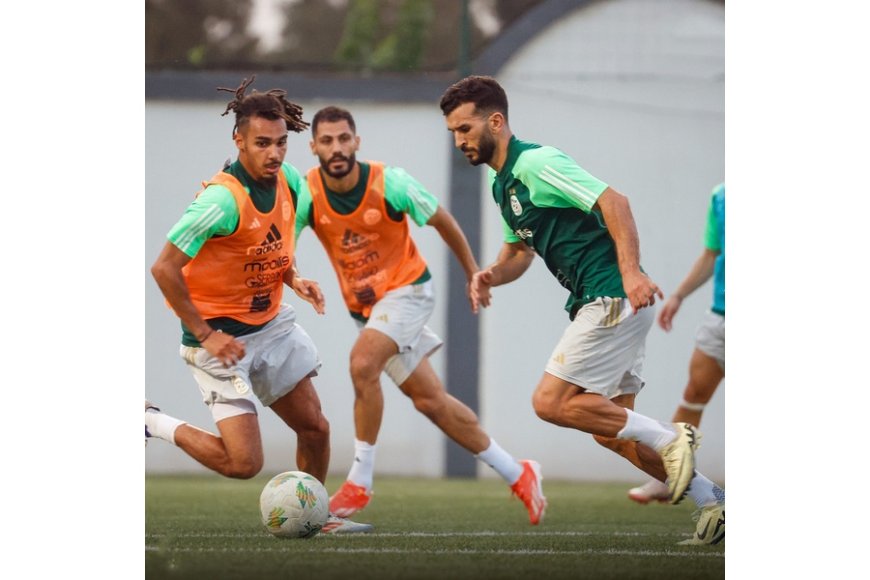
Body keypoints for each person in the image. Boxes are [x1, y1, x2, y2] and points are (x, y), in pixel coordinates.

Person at [439, 75, 724, 545]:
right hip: (607, 301)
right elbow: (519, 255)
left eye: (465, 129)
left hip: (611, 295)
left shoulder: (535, 162)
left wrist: (631, 273)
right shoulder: (502, 184)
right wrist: (490, 273)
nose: (459, 140)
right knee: (613, 434)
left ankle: (673, 439)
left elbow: (614, 201)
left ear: (495, 121)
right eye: (452, 132)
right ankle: (714, 501)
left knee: (549, 402)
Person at [294, 105, 547, 525]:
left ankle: (360, 480)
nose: (336, 148)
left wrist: (473, 274)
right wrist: (295, 277)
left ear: (357, 142)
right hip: (368, 310)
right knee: (431, 402)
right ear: (314, 147)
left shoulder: (389, 181)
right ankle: (517, 472)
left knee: (362, 363)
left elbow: (442, 220)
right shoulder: (306, 191)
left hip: (409, 291)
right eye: (326, 141)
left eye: (343, 139)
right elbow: (283, 237)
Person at [146, 76, 371, 535]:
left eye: (281, 143)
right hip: (218, 340)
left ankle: (316, 517)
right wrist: (207, 334)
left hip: (271, 326)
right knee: (243, 463)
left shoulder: (286, 178)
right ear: (239, 140)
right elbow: (164, 269)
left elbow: (268, 242)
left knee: (316, 429)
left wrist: (294, 278)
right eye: (262, 143)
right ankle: (148, 421)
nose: (274, 153)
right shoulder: (220, 201)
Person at [628, 183, 725, 513]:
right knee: (694, 392)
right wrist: (679, 296)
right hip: (721, 316)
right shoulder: (721, 195)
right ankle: (667, 476)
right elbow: (712, 254)